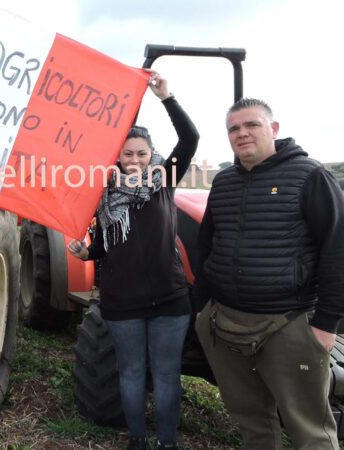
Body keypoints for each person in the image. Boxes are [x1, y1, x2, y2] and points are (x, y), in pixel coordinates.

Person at [192, 98, 344, 449]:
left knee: (310, 428)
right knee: (251, 419)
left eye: (252, 125)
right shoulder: (224, 182)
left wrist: (326, 323)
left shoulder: (309, 175)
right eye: (234, 128)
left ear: (273, 129)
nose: (242, 133)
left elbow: (337, 249)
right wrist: (202, 304)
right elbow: (206, 244)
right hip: (224, 319)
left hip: (287, 323)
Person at [69, 71, 199, 450]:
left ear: (152, 154)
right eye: (127, 154)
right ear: (117, 156)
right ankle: (138, 440)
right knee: (129, 373)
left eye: (142, 153)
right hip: (122, 301)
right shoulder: (104, 193)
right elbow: (105, 244)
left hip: (169, 300)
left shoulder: (164, 179)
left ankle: (168, 443)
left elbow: (190, 139)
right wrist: (86, 252)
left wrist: (166, 97)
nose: (135, 160)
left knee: (166, 374)